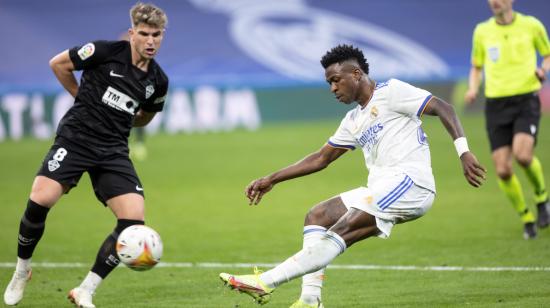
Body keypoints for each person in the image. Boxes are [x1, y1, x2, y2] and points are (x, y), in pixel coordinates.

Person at [219, 44, 486, 307]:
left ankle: (265, 281)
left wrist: (464, 152)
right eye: (329, 83)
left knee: (344, 226)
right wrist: (272, 179)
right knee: (318, 216)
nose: (333, 88)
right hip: (381, 187)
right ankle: (311, 300)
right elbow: (321, 158)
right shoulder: (352, 120)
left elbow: (444, 107)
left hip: (411, 183)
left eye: (336, 80)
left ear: (356, 74)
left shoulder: (391, 92)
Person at [3, 3, 168, 307]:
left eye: (156, 35)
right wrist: (81, 97)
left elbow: (146, 115)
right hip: (77, 139)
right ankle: (21, 270)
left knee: (133, 221)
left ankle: (86, 290)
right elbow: (58, 64)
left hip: (113, 149)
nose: (150, 41)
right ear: (132, 33)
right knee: (42, 199)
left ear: (162, 36)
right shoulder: (104, 52)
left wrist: (125, 118)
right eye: (144, 33)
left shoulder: (158, 80)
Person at [464, 0, 550, 239]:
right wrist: (473, 88)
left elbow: (547, 55)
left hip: (525, 100)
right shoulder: (482, 31)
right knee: (502, 169)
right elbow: (476, 66)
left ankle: (542, 199)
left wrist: (543, 70)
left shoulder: (531, 25)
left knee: (523, 155)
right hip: (496, 105)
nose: (494, 2)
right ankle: (527, 217)